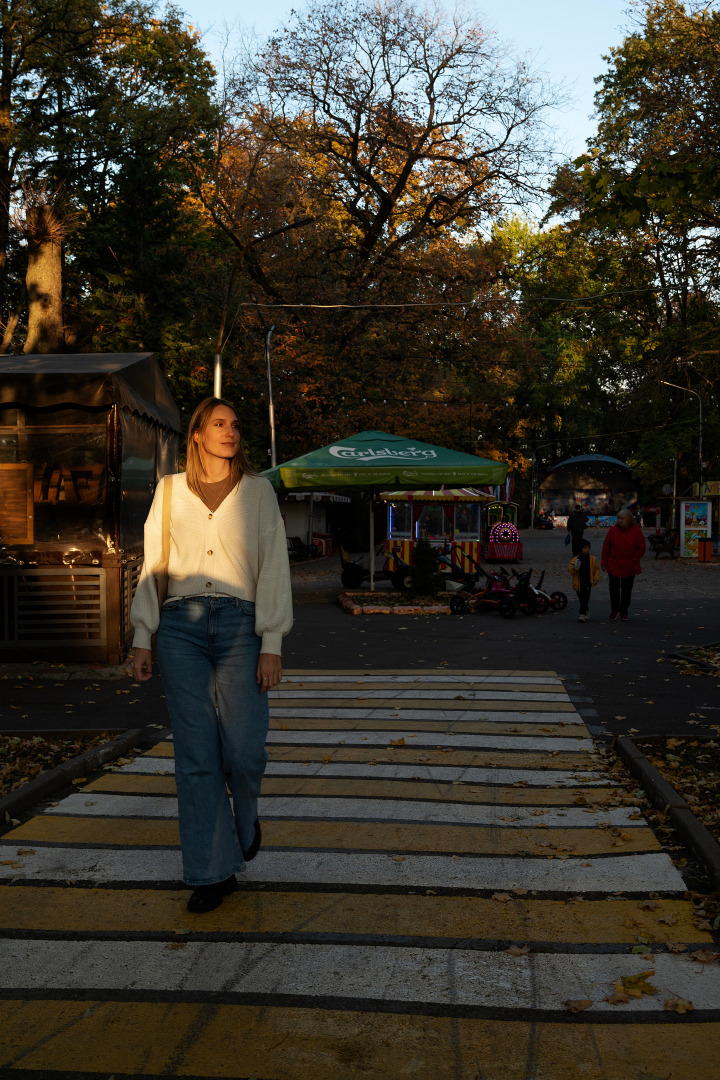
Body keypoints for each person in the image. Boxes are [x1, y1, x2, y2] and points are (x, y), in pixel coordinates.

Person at [130, 397, 293, 914]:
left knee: (245, 751)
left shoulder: (258, 492)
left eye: (235, 425)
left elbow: (274, 568)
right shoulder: (170, 490)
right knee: (196, 758)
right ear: (196, 434)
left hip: (242, 627)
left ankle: (244, 826)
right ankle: (210, 871)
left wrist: (272, 642)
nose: (230, 432)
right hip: (180, 628)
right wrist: (142, 633)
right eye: (218, 424)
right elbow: (153, 562)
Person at [601, 508, 646, 621]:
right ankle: (614, 609)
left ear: (629, 519)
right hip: (614, 563)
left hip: (630, 564)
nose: (620, 520)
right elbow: (606, 546)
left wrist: (634, 559)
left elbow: (641, 547)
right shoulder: (612, 530)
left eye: (622, 518)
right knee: (614, 588)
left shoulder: (636, 531)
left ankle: (624, 610)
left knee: (627, 590)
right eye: (618, 518)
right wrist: (604, 562)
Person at [568, 539, 600, 622]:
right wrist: (574, 568)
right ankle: (586, 610)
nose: (587, 549)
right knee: (582, 598)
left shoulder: (592, 559)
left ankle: (582, 614)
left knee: (586, 598)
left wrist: (596, 578)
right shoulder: (575, 560)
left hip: (588, 583)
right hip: (579, 583)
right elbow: (571, 571)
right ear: (580, 549)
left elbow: (596, 569)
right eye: (585, 547)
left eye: (588, 547)